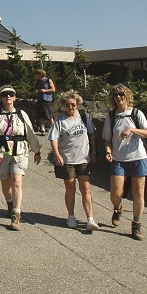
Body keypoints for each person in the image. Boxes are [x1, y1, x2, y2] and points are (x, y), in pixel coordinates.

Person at [0, 85, 41, 230]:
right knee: (5, 183)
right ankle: (9, 201)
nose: (8, 97)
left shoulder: (21, 114)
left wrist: (36, 150)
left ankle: (16, 214)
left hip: (20, 152)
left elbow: (30, 132)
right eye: (5, 95)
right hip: (1, 152)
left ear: (14, 97)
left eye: (11, 94)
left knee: (17, 181)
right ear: (1, 98)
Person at [103, 83, 147, 241]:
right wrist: (108, 151)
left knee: (138, 192)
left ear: (127, 96)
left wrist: (131, 130)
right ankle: (118, 208)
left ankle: (136, 225)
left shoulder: (137, 113)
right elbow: (107, 139)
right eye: (116, 95)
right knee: (116, 193)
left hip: (138, 157)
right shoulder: (111, 116)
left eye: (121, 94)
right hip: (118, 158)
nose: (118, 97)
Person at [48, 90, 100, 231]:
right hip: (67, 159)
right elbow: (53, 138)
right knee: (70, 188)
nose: (71, 108)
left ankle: (90, 219)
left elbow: (91, 133)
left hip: (83, 158)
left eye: (73, 105)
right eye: (68, 105)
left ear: (77, 104)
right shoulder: (60, 120)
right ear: (64, 105)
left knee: (86, 188)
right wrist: (57, 154)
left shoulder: (83, 116)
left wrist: (94, 151)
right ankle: (71, 217)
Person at [34, 69, 56, 135]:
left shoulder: (48, 80)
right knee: (41, 115)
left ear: (40, 74)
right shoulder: (38, 81)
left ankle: (54, 129)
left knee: (49, 115)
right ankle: (42, 129)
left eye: (37, 74)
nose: (36, 76)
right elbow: (36, 89)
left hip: (47, 100)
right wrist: (36, 92)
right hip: (40, 99)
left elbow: (53, 89)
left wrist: (45, 90)